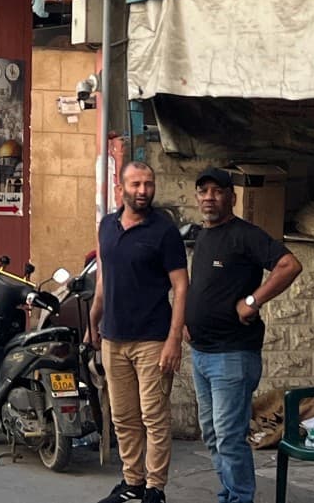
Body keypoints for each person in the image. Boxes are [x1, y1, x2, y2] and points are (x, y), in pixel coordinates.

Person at [187, 168, 303, 503]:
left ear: (231, 197)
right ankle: (230, 494)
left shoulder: (245, 234)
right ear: (197, 197)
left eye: (217, 191)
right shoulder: (203, 236)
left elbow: (289, 265)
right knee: (212, 434)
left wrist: (253, 301)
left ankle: (239, 498)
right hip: (201, 353)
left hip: (232, 355)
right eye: (203, 190)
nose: (210, 197)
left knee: (229, 436)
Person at [89, 162, 189, 503]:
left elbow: (181, 285)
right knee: (124, 417)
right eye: (136, 184)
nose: (143, 190)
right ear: (122, 188)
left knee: (154, 417)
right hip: (113, 338)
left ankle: (154, 488)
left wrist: (174, 339)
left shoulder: (164, 231)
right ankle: (132, 482)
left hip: (152, 340)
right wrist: (94, 319)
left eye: (148, 184)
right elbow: (104, 277)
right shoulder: (107, 227)